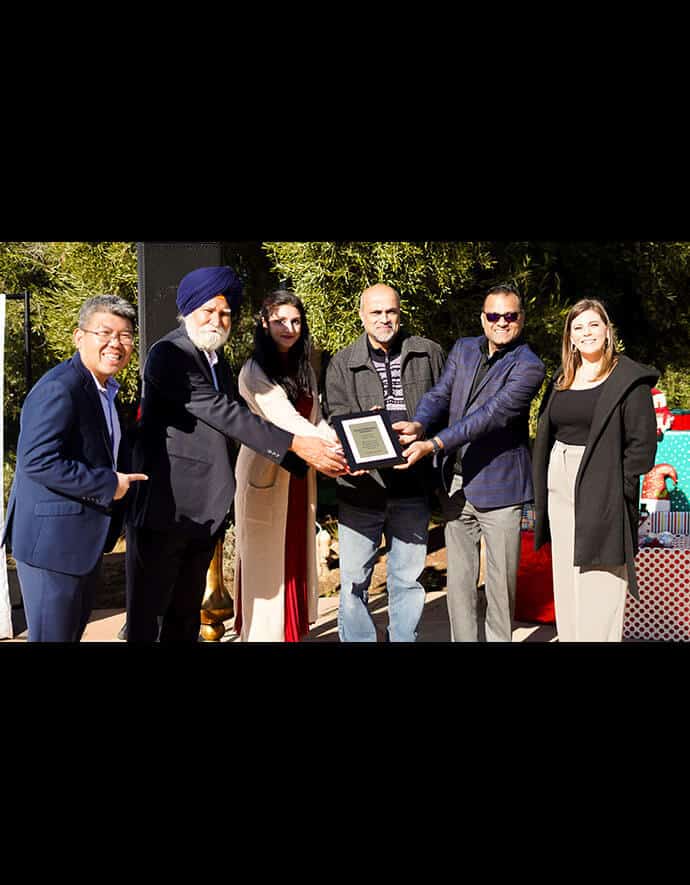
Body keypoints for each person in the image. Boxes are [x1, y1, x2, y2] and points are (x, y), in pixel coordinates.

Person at [125, 266, 347, 643]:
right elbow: (225, 413)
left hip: (203, 509)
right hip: (166, 508)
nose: (217, 319)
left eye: (225, 313)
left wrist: (310, 456)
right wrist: (296, 445)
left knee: (184, 618)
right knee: (148, 618)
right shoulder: (168, 354)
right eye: (208, 311)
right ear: (188, 310)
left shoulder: (214, 358)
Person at [396, 282, 545, 642]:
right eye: (494, 315)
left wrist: (434, 443)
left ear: (521, 320)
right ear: (483, 319)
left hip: (501, 489)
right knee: (459, 585)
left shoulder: (529, 367)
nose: (502, 322)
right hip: (456, 485)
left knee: (500, 586)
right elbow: (441, 393)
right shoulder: (463, 349)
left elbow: (492, 415)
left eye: (510, 316)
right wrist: (420, 422)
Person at [1, 295, 146, 642]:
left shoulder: (104, 389)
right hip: (52, 545)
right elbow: (37, 461)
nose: (116, 343)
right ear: (79, 337)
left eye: (125, 336)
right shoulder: (60, 387)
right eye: (105, 333)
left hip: (78, 541)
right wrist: (108, 483)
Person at [323, 283, 445, 642]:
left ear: (400, 312)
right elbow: (337, 416)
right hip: (361, 488)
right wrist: (363, 422)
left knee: (407, 580)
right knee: (353, 582)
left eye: (390, 311)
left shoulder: (428, 352)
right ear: (362, 316)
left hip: (412, 485)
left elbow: (445, 405)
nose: (384, 319)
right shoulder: (342, 363)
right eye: (375, 312)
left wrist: (425, 436)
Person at [532, 298, 658, 642]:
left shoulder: (628, 379)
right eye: (578, 327)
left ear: (607, 330)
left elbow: (642, 447)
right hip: (560, 482)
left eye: (593, 325)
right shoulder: (562, 377)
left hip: (603, 484)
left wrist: (617, 486)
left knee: (600, 577)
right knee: (568, 572)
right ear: (570, 337)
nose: (586, 333)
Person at [233, 290, 340, 641]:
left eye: (295, 321)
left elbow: (316, 418)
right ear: (264, 323)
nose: (289, 327)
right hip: (263, 474)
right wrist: (332, 453)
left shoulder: (304, 367)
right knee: (266, 565)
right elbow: (285, 419)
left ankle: (291, 632)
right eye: (280, 320)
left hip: (298, 476)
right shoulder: (253, 371)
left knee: (293, 557)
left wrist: (338, 445)